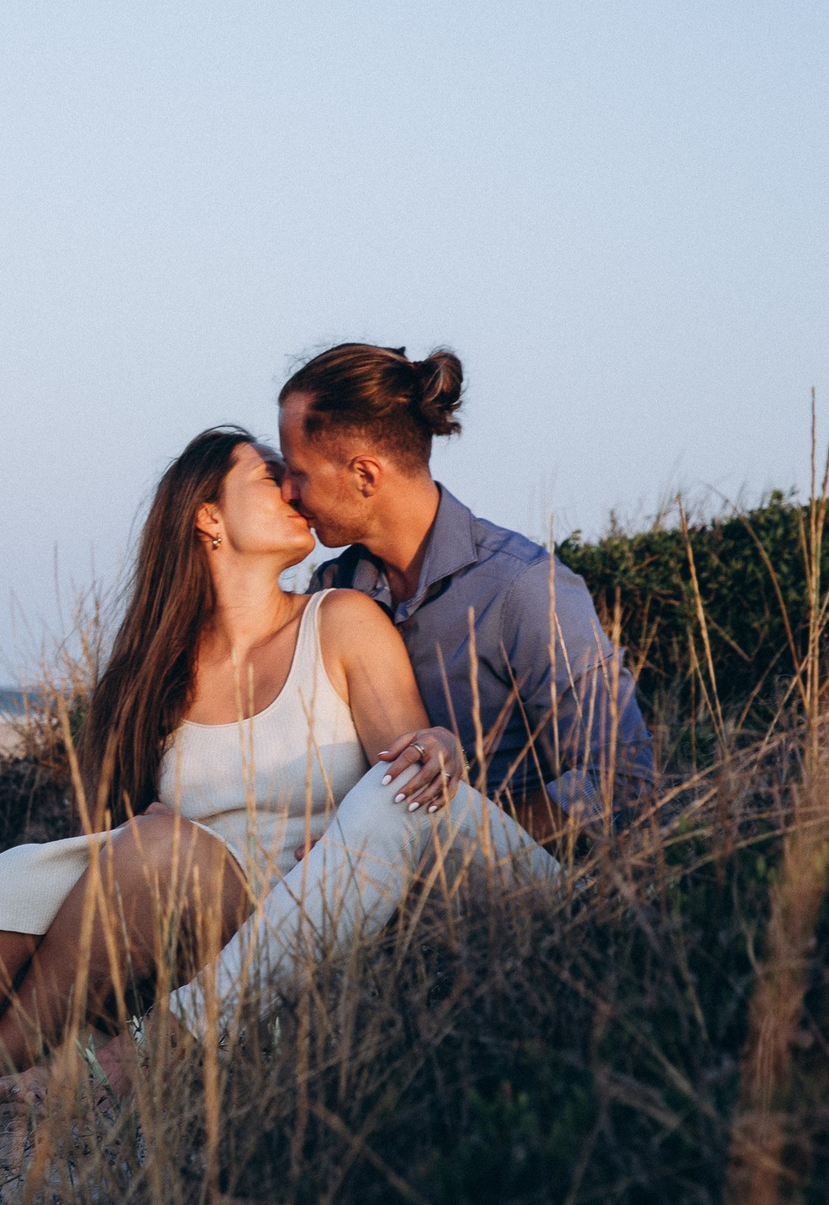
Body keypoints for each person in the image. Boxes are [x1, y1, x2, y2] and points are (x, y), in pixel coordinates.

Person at [0, 425, 557, 1132]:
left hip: (322, 925)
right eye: (270, 478)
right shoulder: (155, 676)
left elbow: (411, 782)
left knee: (159, 850)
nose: (295, 489)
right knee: (28, 876)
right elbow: (109, 893)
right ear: (208, 519)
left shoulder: (343, 619)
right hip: (195, 939)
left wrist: (439, 746)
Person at [280, 342, 655, 836]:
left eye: (298, 471)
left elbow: (623, 782)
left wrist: (457, 849)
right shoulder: (332, 588)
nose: (286, 490)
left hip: (512, 888)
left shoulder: (522, 588)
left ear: (365, 474)